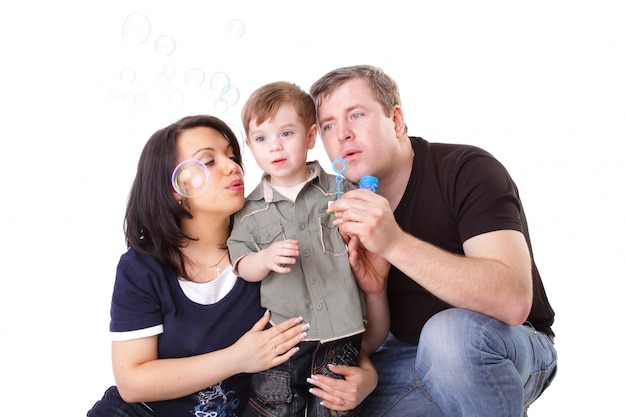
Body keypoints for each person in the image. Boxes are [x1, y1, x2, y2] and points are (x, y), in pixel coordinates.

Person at [308, 65, 557, 417]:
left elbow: (513, 300)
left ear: (395, 121)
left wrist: (394, 243)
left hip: (503, 345)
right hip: (399, 356)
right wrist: (374, 296)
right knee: (323, 395)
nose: (342, 134)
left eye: (356, 115)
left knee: (450, 339)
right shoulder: (334, 206)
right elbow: (361, 335)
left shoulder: (466, 169)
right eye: (329, 125)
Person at [86, 115, 373, 417]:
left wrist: (367, 376)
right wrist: (238, 358)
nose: (232, 166)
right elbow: (133, 382)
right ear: (174, 189)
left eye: (232, 155)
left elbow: (328, 326)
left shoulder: (271, 254)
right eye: (208, 161)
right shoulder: (142, 268)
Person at [227, 81, 389, 416]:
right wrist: (265, 258)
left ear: (311, 136)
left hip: (341, 333)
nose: (275, 147)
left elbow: (371, 241)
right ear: (249, 146)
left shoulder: (341, 193)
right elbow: (242, 262)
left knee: (333, 407)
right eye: (262, 139)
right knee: (276, 407)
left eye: (287, 134)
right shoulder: (247, 210)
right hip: (284, 337)